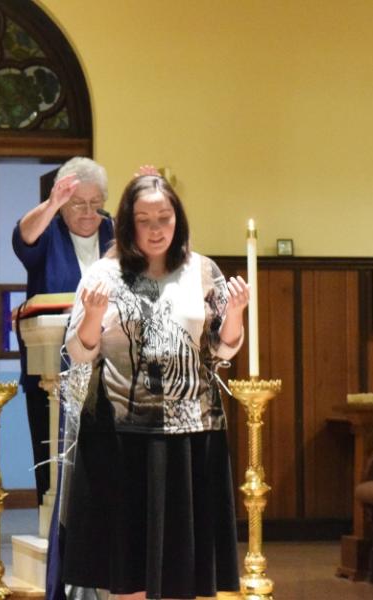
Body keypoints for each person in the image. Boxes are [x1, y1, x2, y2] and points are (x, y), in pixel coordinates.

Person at [61, 174, 250, 599]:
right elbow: (79, 352)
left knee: (183, 569)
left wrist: (235, 313)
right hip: (120, 433)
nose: (155, 228)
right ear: (128, 224)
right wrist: (92, 316)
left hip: (190, 433)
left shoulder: (202, 270)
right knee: (127, 566)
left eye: (163, 217)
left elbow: (221, 351)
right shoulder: (104, 273)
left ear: (177, 219)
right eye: (143, 219)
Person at [12, 157, 114, 504]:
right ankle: (54, 525)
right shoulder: (48, 231)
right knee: (55, 461)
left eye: (95, 204)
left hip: (112, 368)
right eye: (78, 203)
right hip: (50, 368)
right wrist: (53, 203)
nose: (88, 213)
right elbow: (23, 238)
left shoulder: (114, 232)